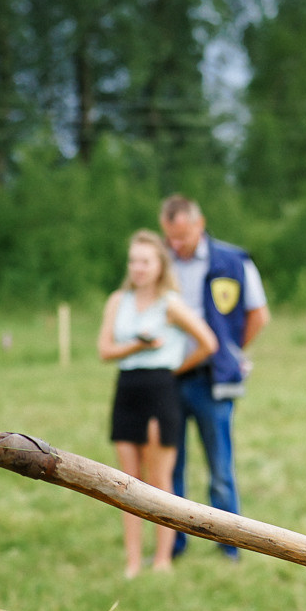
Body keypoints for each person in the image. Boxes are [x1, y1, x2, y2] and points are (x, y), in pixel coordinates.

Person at [98, 230, 216, 578]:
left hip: (161, 391)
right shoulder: (117, 301)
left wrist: (173, 368)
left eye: (145, 261)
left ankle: (163, 558)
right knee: (124, 482)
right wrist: (137, 346)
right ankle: (133, 561)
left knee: (158, 480)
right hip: (127, 389)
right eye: (133, 260)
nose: (138, 267)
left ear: (159, 265)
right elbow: (104, 350)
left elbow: (207, 343)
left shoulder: (171, 304)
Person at [158, 196, 266, 560]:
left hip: (213, 379)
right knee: (170, 464)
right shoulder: (159, 261)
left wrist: (231, 351)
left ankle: (229, 544)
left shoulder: (233, 261)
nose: (176, 245)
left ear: (199, 224)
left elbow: (258, 314)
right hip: (169, 376)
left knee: (220, 466)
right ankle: (173, 543)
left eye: (183, 237)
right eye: (170, 237)